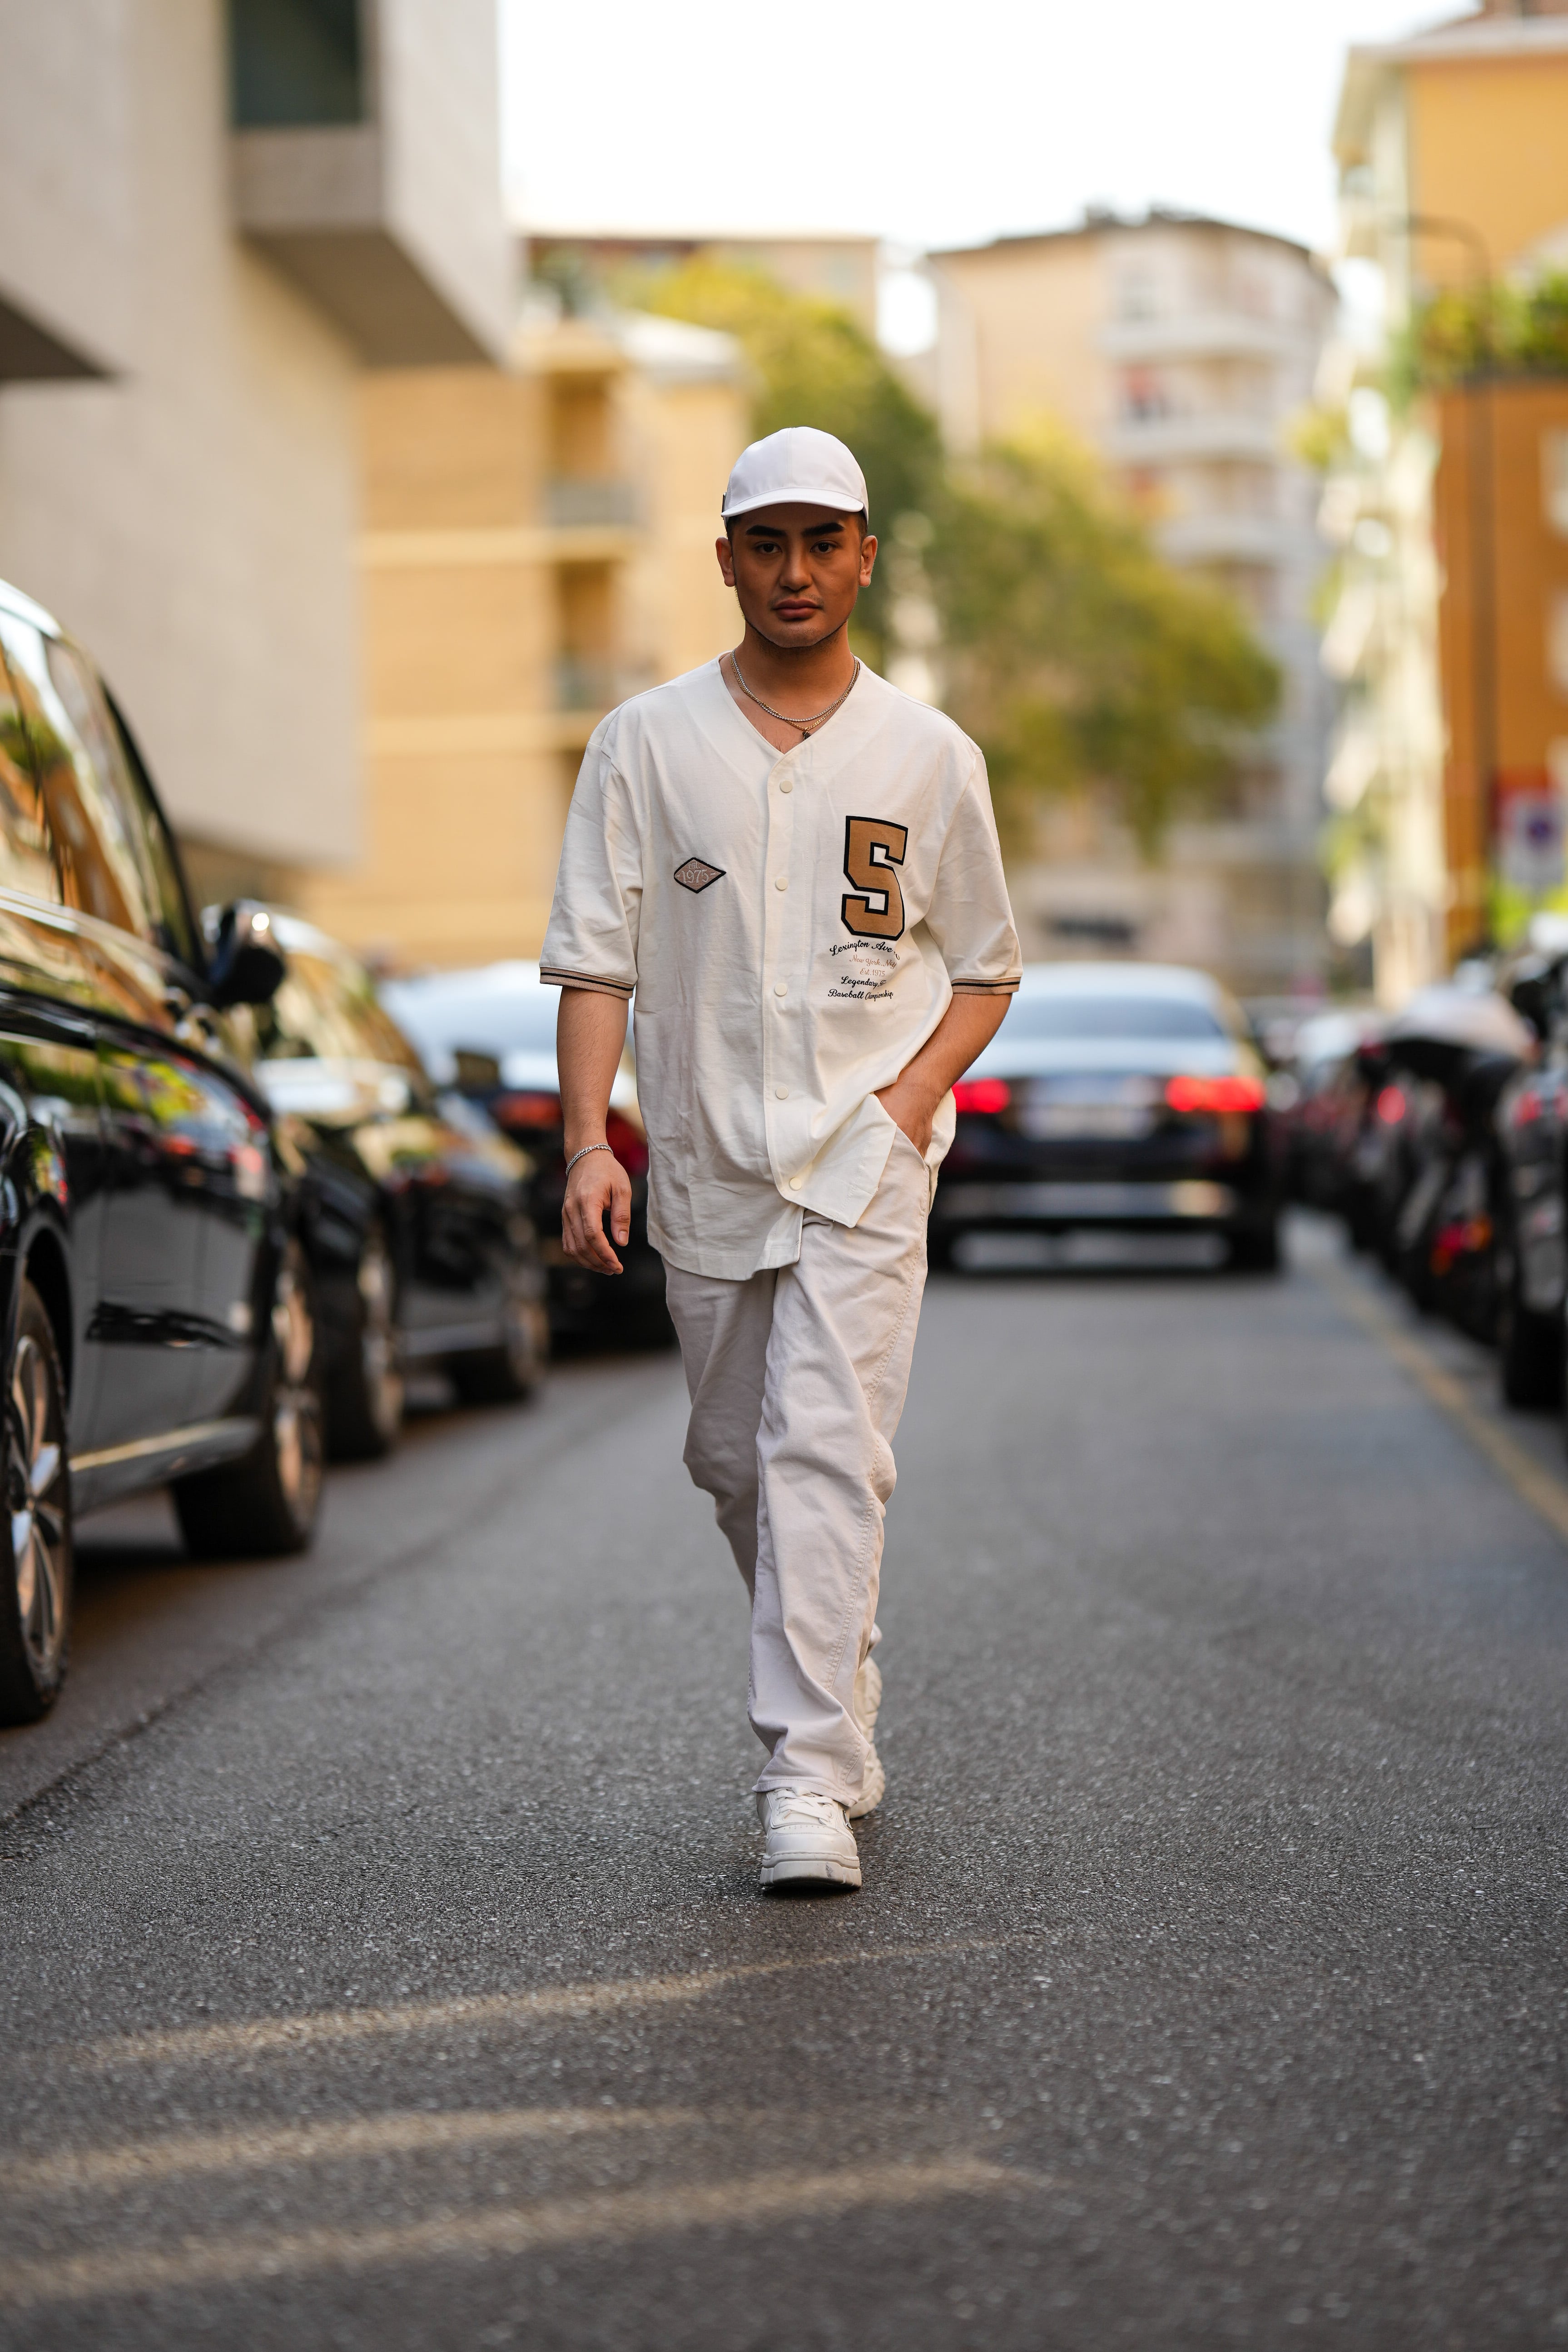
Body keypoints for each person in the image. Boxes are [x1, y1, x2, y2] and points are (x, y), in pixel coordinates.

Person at [541, 426, 1020, 1891]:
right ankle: (838, 1660)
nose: (796, 570)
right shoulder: (644, 740)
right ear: (728, 559)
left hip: (863, 1164)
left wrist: (904, 1105)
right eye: (768, 541)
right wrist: (586, 1145)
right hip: (699, 1160)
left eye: (825, 541)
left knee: (823, 1449)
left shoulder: (930, 756)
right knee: (734, 1456)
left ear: (866, 556)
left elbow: (987, 971)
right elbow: (593, 961)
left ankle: (802, 1777)